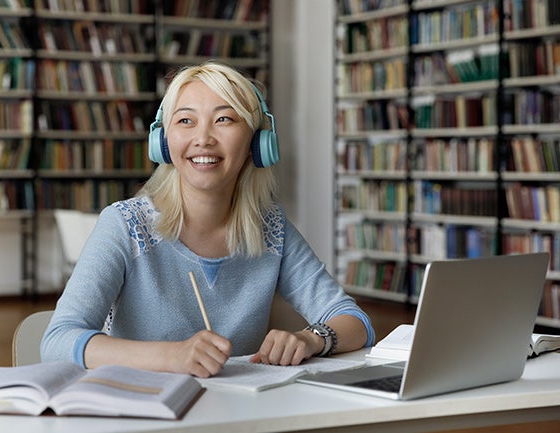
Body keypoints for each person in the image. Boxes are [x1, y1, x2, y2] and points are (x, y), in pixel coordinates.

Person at [41, 61, 375, 378]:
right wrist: (171, 357)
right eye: (185, 121)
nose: (203, 138)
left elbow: (356, 322)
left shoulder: (271, 227)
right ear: (163, 141)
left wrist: (311, 339)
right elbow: (57, 342)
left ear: (256, 143)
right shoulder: (124, 224)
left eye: (224, 119)